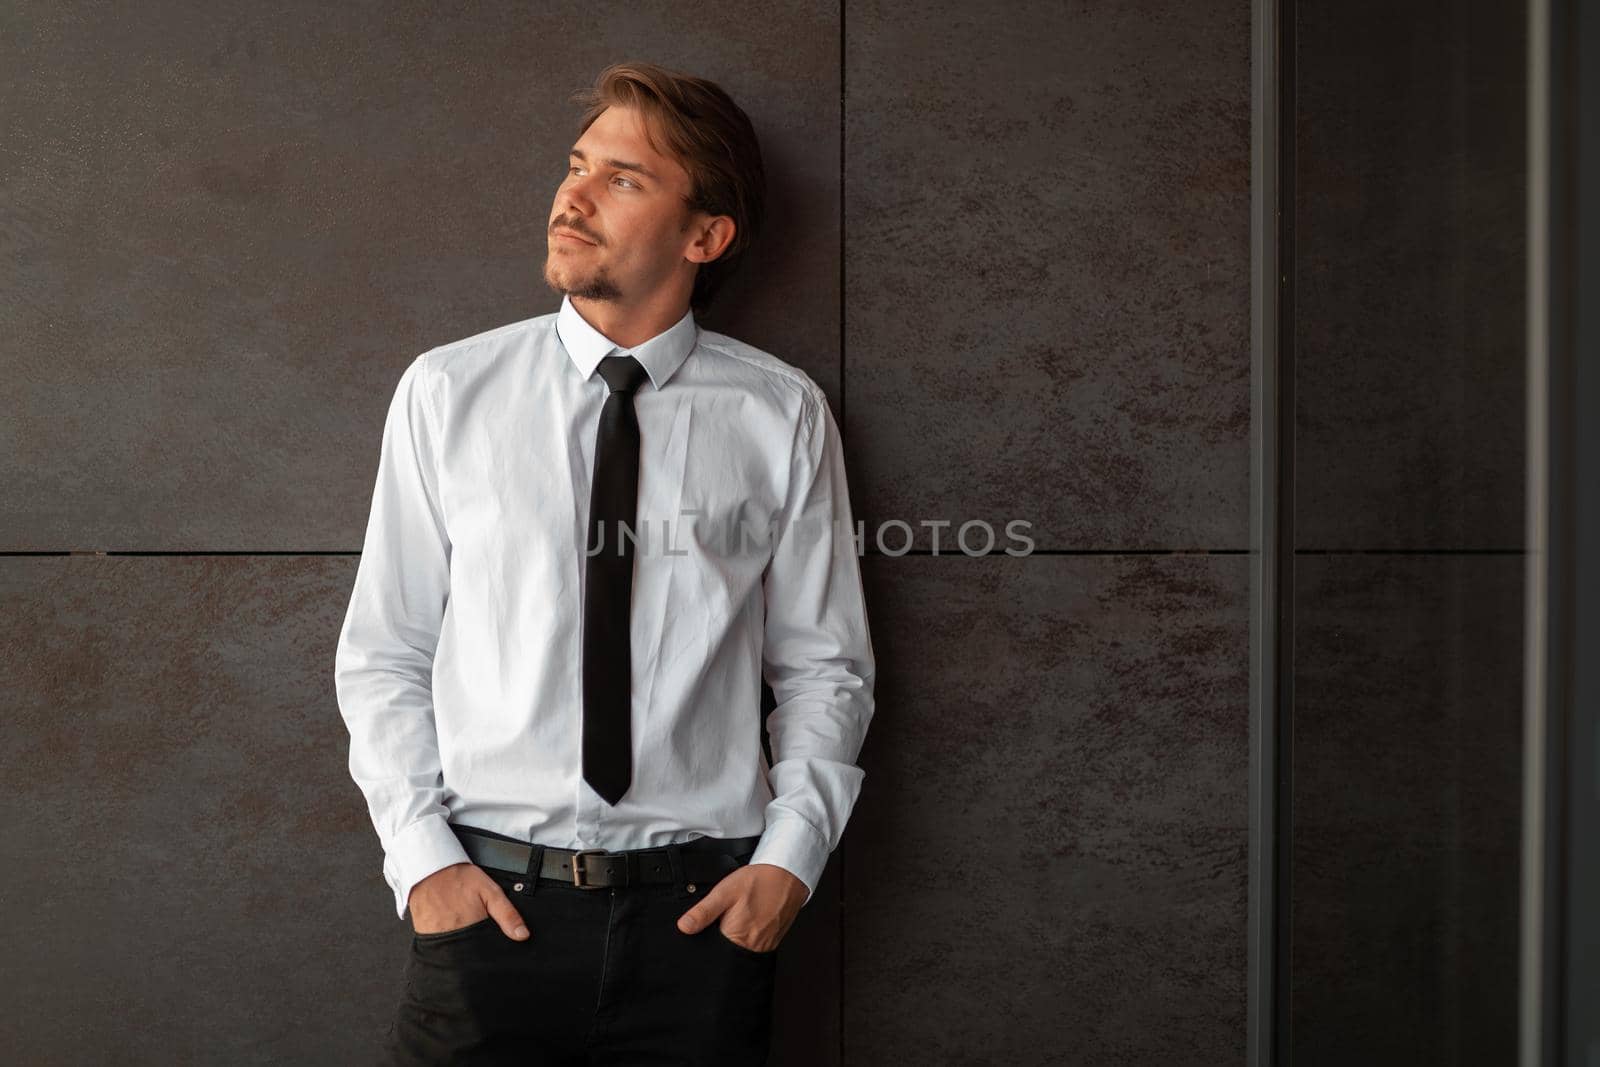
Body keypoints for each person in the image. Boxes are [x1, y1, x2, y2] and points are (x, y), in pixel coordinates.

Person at [333, 60, 876, 1066]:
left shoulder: (780, 414)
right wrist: (423, 865)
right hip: (489, 918)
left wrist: (789, 863)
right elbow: (386, 652)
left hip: (700, 925)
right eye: (577, 165)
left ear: (704, 235)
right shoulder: (447, 392)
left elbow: (823, 666)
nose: (570, 196)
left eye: (623, 179)